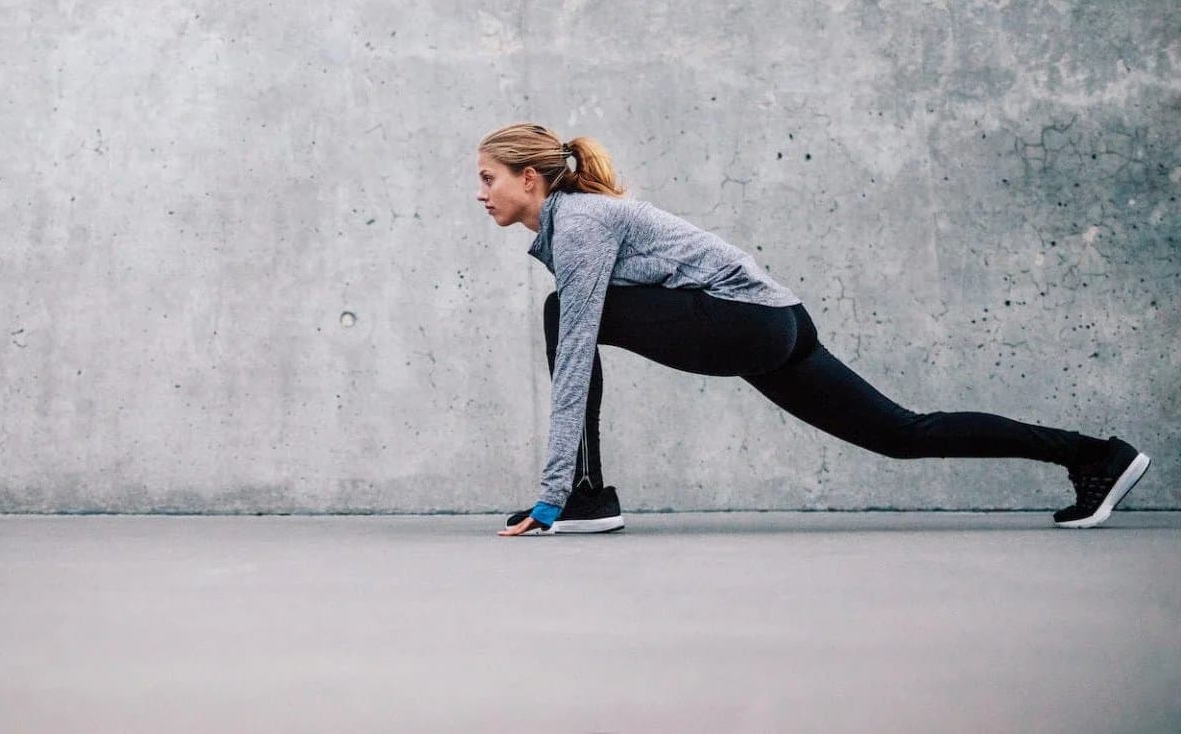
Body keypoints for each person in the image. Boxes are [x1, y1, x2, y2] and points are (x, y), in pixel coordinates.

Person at [475, 123, 1151, 536]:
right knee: (901, 433)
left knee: (564, 313)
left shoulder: (583, 224)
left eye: (489, 178)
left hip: (749, 323)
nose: (481, 192)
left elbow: (572, 364)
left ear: (530, 180)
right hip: (775, 323)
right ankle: (1093, 456)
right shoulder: (579, 221)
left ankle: (585, 497)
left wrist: (549, 495)